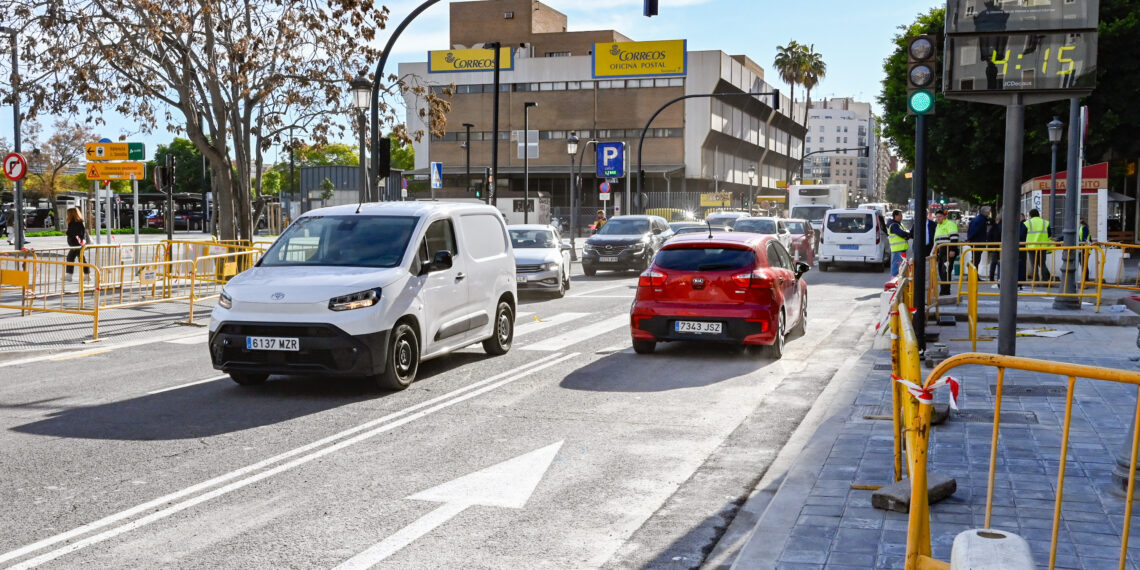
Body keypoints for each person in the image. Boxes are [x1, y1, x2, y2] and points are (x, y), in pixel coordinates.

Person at [933, 209, 960, 295]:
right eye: (937, 217)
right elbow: (936, 240)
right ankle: (944, 289)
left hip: (948, 250)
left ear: (944, 217)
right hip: (941, 251)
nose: (938, 218)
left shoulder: (950, 224)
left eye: (940, 216)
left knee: (946, 271)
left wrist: (952, 250)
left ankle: (945, 291)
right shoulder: (938, 226)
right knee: (941, 271)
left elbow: (954, 238)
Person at [1024, 208, 1051, 284]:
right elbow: (1049, 234)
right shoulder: (1046, 222)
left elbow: (1023, 234)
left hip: (1031, 247)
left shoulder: (1027, 223)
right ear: (1038, 214)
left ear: (1030, 215)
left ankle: (1035, 281)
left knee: (1033, 264)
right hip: (1043, 247)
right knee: (1042, 264)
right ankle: (1045, 280)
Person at [65, 207, 90, 282]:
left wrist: (67, 232)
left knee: (71, 258)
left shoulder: (74, 222)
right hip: (78, 243)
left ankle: (69, 276)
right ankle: (86, 275)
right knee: (81, 259)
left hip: (76, 244)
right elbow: (81, 233)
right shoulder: (79, 222)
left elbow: (72, 233)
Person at [887, 209, 912, 277]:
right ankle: (894, 282)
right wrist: (908, 235)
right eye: (900, 215)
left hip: (901, 250)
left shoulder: (899, 224)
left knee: (901, 267)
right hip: (897, 250)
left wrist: (907, 235)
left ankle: (898, 282)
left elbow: (904, 233)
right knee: (896, 268)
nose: (902, 217)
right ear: (896, 216)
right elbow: (902, 233)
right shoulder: (894, 225)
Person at [966, 206, 991, 270]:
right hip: (978, 242)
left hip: (975, 241)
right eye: (989, 212)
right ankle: (973, 276)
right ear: (985, 212)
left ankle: (973, 275)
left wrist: (969, 238)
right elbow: (975, 230)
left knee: (975, 259)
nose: (989, 213)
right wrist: (970, 238)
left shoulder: (978, 219)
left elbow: (972, 230)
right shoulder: (981, 220)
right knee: (976, 259)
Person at [987, 213, 1002, 282]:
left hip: (995, 247)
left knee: (994, 263)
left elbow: (991, 236)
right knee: (1001, 262)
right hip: (1001, 246)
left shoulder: (995, 227)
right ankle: (1000, 276)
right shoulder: (1002, 226)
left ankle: (992, 277)